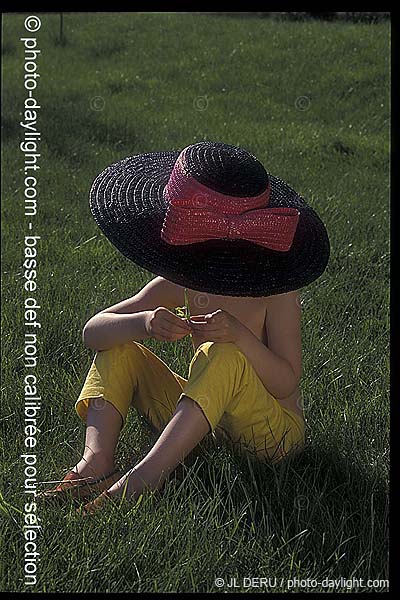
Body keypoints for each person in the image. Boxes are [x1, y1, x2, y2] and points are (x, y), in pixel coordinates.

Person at [38, 141, 330, 515]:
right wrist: (143, 323)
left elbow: (286, 382)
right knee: (121, 344)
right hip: (206, 425)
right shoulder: (188, 278)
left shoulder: (277, 290)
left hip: (272, 435)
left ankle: (144, 479)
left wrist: (239, 336)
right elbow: (94, 332)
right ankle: (96, 461)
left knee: (221, 353)